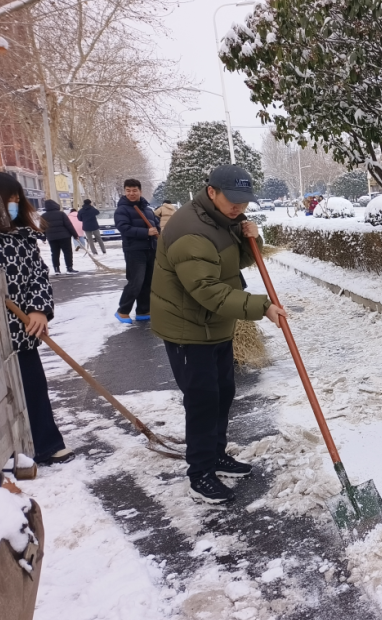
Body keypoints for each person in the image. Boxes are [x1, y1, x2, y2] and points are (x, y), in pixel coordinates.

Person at [151, 165, 287, 504]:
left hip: (214, 325)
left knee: (223, 392)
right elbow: (208, 289)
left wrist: (248, 240)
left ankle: (216, 455)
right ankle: (200, 473)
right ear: (211, 191)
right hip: (188, 328)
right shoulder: (191, 231)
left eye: (244, 202)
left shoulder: (220, 220)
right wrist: (262, 306)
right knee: (202, 400)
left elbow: (229, 265)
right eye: (233, 200)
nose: (239, 207)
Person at [0, 172, 74, 465]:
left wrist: (39, 309)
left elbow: (39, 276)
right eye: (7, 200)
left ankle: (45, 443)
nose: (13, 206)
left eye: (16, 200)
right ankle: (1, 454)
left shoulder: (22, 237)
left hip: (22, 331)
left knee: (33, 389)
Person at [114, 178, 160, 324]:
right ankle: (123, 310)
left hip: (150, 249)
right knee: (136, 281)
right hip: (134, 250)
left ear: (140, 191)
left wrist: (156, 232)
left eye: (134, 190)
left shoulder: (147, 209)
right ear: (124, 191)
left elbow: (156, 226)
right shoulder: (122, 209)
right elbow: (124, 228)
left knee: (148, 281)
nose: (131, 193)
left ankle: (143, 310)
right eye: (128, 191)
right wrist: (146, 232)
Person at [40, 200, 78, 273]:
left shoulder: (43, 216)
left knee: (55, 253)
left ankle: (56, 269)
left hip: (52, 237)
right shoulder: (61, 214)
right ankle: (69, 268)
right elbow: (69, 225)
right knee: (67, 252)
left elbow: (42, 228)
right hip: (64, 236)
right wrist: (75, 235)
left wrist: (43, 237)